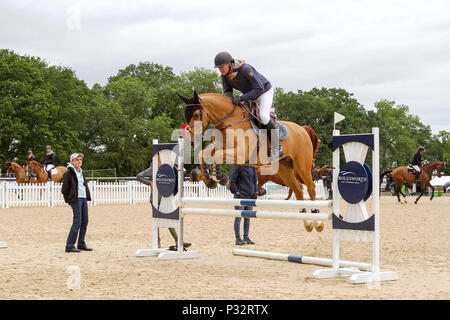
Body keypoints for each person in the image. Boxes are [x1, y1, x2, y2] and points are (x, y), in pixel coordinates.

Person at [214, 51, 283, 160]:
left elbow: (259, 88)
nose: (220, 69)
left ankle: (277, 147)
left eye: (222, 66)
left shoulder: (245, 69)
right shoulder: (225, 75)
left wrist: (241, 98)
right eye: (219, 68)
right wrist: (230, 101)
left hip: (263, 92)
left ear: (229, 63)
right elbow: (227, 91)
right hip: (248, 94)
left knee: (264, 116)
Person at [136, 161, 191, 250]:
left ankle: (178, 240)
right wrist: (149, 183)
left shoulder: (168, 169)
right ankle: (157, 241)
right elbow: (138, 176)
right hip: (155, 199)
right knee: (157, 220)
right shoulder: (153, 168)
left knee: (169, 218)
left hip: (166, 198)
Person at [61, 153, 93, 253]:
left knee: (85, 221)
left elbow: (83, 185)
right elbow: (64, 189)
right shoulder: (68, 173)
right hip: (76, 199)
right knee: (77, 222)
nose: (79, 161)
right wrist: (69, 201)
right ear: (72, 162)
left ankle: (81, 243)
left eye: (80, 159)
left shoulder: (81, 172)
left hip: (83, 198)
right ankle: (69, 245)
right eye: (77, 160)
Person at [229, 165, 261, 245]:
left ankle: (246, 237)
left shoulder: (252, 167)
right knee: (238, 218)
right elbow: (232, 181)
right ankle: (238, 238)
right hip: (240, 197)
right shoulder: (238, 167)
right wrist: (237, 192)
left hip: (250, 196)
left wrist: (256, 192)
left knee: (247, 218)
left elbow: (254, 181)